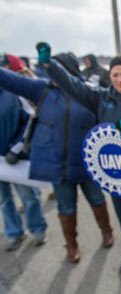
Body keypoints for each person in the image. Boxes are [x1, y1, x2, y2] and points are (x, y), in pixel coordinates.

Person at [36, 43, 121, 281]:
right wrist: (50, 66)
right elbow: (72, 85)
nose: (119, 80)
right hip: (114, 172)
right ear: (110, 76)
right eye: (115, 75)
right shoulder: (102, 97)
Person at [0, 52, 114, 263]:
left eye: (57, 68)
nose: (52, 72)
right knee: (66, 208)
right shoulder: (42, 89)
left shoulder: (88, 91)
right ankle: (72, 245)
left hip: (88, 162)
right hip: (58, 165)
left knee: (97, 200)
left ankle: (106, 231)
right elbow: (9, 79)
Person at [0, 54, 48, 251]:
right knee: (4, 200)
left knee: (28, 196)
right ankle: (13, 232)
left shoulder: (15, 93)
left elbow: (30, 121)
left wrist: (17, 148)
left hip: (16, 159)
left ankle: (37, 229)